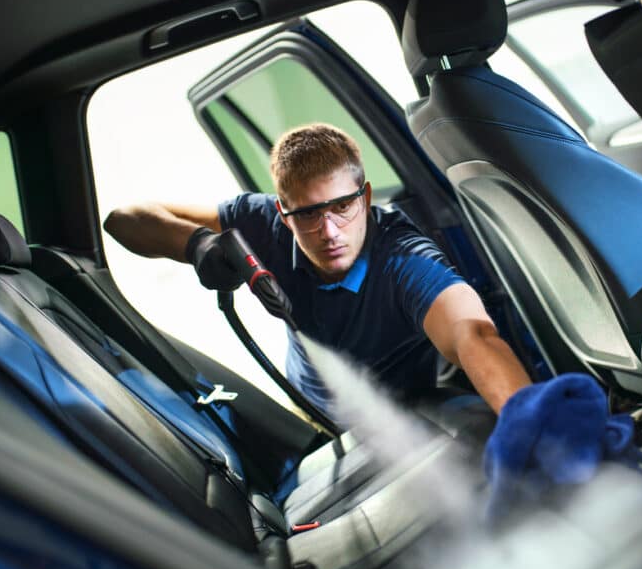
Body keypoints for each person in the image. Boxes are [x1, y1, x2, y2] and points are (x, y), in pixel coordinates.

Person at [104, 123, 531, 419]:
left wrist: (529, 417)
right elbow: (124, 218)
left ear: (364, 197)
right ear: (283, 213)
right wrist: (198, 244)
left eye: (342, 207)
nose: (329, 231)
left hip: (403, 412)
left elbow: (473, 335)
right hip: (309, 406)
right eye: (307, 214)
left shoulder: (403, 258)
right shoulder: (259, 222)